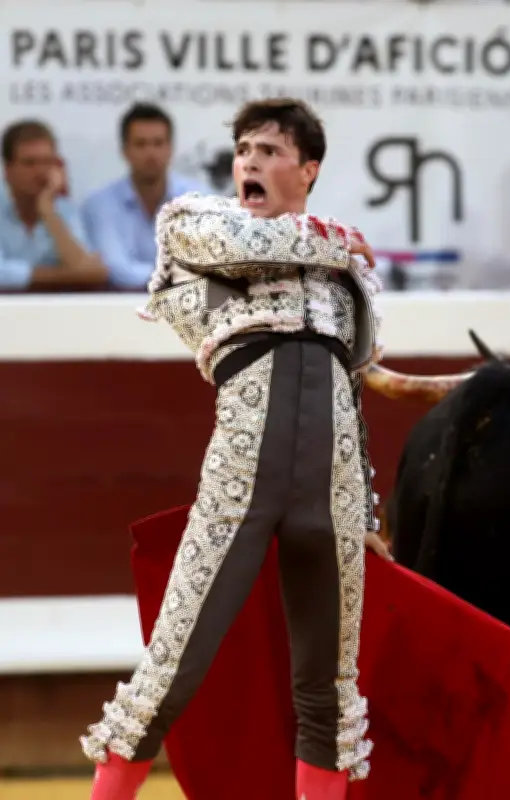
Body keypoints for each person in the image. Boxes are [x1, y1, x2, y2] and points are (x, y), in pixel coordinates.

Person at [80, 97, 390, 800]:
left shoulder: (350, 283)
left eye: (270, 151)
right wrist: (337, 243)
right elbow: (249, 247)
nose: (248, 159)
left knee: (331, 693)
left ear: (307, 169)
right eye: (243, 148)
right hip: (241, 471)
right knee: (173, 664)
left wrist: (366, 509)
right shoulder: (196, 222)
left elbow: (356, 387)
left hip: (331, 483)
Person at [82, 103, 206, 290]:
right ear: (124, 150)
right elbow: (116, 270)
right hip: (116, 309)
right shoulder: (100, 205)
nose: (151, 153)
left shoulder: (199, 199)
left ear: (170, 149)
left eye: (158, 143)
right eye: (141, 144)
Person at [0, 119, 106, 290]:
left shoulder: (64, 210)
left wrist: (48, 213)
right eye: (30, 163)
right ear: (8, 169)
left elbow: (89, 271)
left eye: (47, 162)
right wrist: (66, 276)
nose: (40, 172)